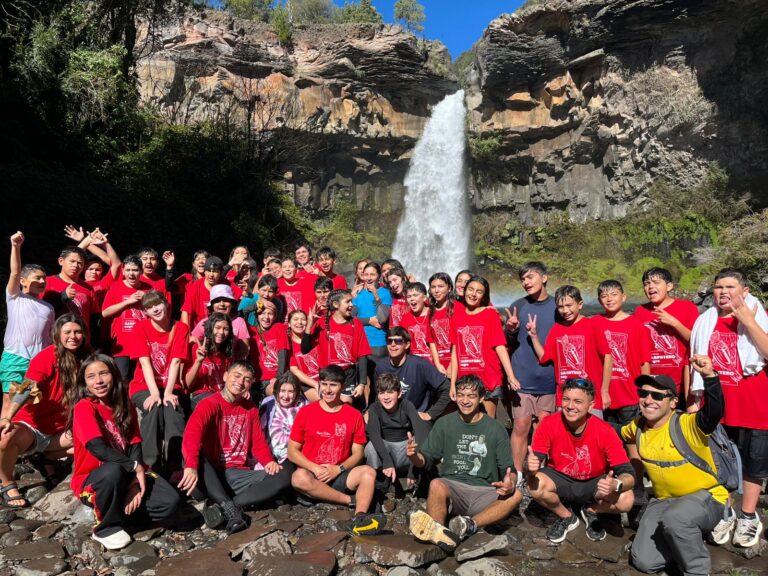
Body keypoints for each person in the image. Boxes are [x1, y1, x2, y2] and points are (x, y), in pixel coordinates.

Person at [621, 356, 728, 575]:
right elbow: (614, 433)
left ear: (673, 402)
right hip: (664, 501)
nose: (648, 399)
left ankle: (697, 570)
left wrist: (710, 377)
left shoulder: (686, 424)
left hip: (706, 497)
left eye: (657, 395)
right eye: (644, 393)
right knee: (644, 562)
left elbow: (714, 412)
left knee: (676, 519)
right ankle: (683, 540)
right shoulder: (638, 426)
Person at [689, 269, 768, 547]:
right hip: (718, 406)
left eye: (730, 286)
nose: (723, 292)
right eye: (718, 286)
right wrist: (693, 399)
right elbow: (694, 363)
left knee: (752, 464)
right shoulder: (705, 321)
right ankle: (727, 511)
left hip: (755, 405)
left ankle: (749, 516)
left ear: (744, 291)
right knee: (721, 463)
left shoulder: (759, 315)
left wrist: (748, 320)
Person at [69, 354, 179, 550]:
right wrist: (134, 468)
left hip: (128, 475)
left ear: (114, 374)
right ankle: (105, 527)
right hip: (96, 479)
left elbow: (135, 445)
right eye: (91, 376)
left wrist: (134, 485)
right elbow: (97, 448)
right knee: (113, 470)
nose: (99, 381)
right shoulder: (84, 407)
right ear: (84, 383)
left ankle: (118, 509)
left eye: (104, 373)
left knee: (170, 503)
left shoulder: (124, 404)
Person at [406, 375, 522, 552]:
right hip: (454, 488)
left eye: (471, 396)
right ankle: (439, 534)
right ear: (455, 396)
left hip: (484, 492)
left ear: (482, 398)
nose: (465, 401)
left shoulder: (496, 428)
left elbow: (509, 469)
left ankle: (470, 524)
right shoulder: (445, 423)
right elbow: (426, 460)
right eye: (461, 395)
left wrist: (510, 483)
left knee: (517, 495)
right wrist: (414, 456)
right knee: (436, 484)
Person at [179, 360, 292, 534]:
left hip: (237, 474)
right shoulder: (209, 404)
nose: (240, 382)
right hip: (210, 475)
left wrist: (269, 461)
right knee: (199, 456)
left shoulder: (250, 409)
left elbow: (258, 442)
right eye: (237, 376)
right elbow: (191, 435)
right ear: (225, 376)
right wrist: (191, 467)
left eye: (247, 379)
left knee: (285, 474)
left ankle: (228, 505)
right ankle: (229, 508)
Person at [526, 378, 635, 543]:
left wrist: (616, 484)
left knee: (627, 499)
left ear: (591, 406)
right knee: (533, 484)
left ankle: (591, 510)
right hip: (560, 478)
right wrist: (529, 466)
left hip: (594, 482)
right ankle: (567, 516)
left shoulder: (605, 430)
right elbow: (533, 461)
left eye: (578, 401)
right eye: (566, 399)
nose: (570, 406)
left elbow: (628, 473)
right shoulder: (549, 423)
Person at [0, 314, 90, 508]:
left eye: (77, 331)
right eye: (67, 332)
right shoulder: (48, 355)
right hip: (33, 427)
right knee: (6, 437)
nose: (73, 336)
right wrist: (8, 416)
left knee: (93, 439)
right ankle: (7, 483)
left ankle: (45, 458)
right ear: (58, 335)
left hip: (61, 431)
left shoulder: (87, 357)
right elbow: (28, 385)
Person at [288, 365, 386, 536]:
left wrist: (338, 469)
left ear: (342, 386)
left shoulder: (353, 415)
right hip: (314, 475)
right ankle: (351, 500)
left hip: (339, 473)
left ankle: (360, 518)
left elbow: (358, 453)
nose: (327, 390)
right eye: (324, 384)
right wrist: (315, 468)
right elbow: (292, 451)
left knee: (368, 472)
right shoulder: (306, 412)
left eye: (333, 385)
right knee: (298, 478)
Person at [504, 261, 557, 485]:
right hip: (522, 378)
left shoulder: (558, 306)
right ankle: (516, 473)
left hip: (549, 377)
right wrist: (511, 330)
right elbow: (506, 343)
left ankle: (539, 473)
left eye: (531, 277)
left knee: (544, 428)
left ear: (544, 278)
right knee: (521, 425)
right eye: (523, 279)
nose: (526, 282)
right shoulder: (518, 306)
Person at [127, 291, 188, 473]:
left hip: (170, 383)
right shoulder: (140, 328)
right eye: (149, 307)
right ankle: (151, 464)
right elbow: (144, 362)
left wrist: (167, 392)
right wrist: (155, 393)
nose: (155, 309)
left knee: (172, 409)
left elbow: (176, 360)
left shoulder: (180, 328)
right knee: (152, 408)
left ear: (166, 304)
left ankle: (175, 465)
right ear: (145, 312)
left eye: (158, 304)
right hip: (143, 384)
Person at [527, 285, 612, 415]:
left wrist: (605, 391)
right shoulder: (557, 329)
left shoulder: (593, 325)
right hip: (564, 398)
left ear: (580, 304)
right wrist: (533, 336)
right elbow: (544, 357)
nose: (565, 310)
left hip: (590, 397)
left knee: (593, 434)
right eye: (560, 307)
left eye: (569, 305)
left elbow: (608, 357)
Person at [1, 232, 55, 421]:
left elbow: (50, 336)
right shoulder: (15, 297)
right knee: (10, 401)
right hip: (15, 358)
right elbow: (15, 272)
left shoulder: (48, 307)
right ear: (23, 282)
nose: (42, 281)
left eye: (44, 279)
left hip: (37, 362)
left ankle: (22, 445)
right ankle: (3, 440)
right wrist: (16, 246)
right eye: (37, 278)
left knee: (30, 404)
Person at [450, 276, 520, 418]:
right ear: (464, 291)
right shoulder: (456, 316)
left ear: (483, 296)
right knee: (468, 422)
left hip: (489, 379)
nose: (473, 294)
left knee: (487, 422)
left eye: (478, 291)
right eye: (470, 289)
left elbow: (500, 347)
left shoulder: (490, 314)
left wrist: (511, 376)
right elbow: (455, 352)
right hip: (465, 381)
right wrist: (453, 383)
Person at [633, 268, 699, 399]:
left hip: (681, 383)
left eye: (656, 282)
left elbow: (697, 342)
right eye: (646, 284)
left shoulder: (687, 307)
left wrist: (675, 323)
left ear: (669, 286)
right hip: (652, 383)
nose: (650, 286)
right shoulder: (640, 311)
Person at [592, 280, 651, 424]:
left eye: (614, 294)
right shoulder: (594, 323)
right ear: (599, 300)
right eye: (604, 296)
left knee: (631, 440)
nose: (609, 299)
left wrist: (646, 392)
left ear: (623, 297)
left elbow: (644, 362)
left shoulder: (636, 325)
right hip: (602, 396)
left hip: (630, 395)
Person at [365, 374, 430, 491]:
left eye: (390, 392)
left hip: (405, 451)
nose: (385, 397)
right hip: (386, 452)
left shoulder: (407, 405)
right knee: (370, 447)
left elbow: (421, 431)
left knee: (421, 439)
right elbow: (373, 433)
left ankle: (416, 477)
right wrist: (387, 460)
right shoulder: (374, 408)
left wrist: (413, 468)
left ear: (399, 393)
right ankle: (380, 480)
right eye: (381, 393)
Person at [374, 327, 451, 424]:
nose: (393, 344)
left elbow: (447, 389)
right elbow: (378, 395)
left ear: (407, 345)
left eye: (398, 341)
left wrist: (431, 414)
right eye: (389, 341)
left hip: (418, 418)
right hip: (391, 419)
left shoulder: (421, 365)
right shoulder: (381, 367)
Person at [308, 289, 371, 405]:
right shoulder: (322, 323)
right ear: (336, 304)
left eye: (351, 301)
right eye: (348, 302)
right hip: (328, 374)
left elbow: (362, 354)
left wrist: (362, 383)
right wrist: (309, 325)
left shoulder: (355, 324)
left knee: (345, 405)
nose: (351, 305)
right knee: (329, 405)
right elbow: (305, 348)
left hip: (348, 374)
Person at [101, 255, 152, 380]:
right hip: (122, 345)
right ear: (123, 271)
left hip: (144, 342)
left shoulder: (148, 289)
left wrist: (146, 300)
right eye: (128, 270)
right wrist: (127, 302)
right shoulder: (116, 287)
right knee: (122, 380)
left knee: (142, 380)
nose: (131, 274)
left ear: (141, 271)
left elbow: (158, 314)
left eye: (134, 270)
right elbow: (105, 313)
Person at [185, 313, 236, 410]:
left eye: (225, 329)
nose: (221, 332)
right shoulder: (197, 348)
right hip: (199, 396)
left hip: (221, 395)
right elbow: (188, 384)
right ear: (210, 328)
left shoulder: (227, 354)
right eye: (217, 327)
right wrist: (198, 361)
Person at [259, 372, 308, 466]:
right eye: (282, 390)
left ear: (297, 392)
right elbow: (260, 434)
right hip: (270, 457)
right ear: (277, 390)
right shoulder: (268, 404)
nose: (286, 396)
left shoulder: (305, 406)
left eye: (290, 392)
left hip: (296, 457)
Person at [41, 246, 95, 326]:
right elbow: (38, 310)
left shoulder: (88, 288)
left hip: (81, 336)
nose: (75, 265)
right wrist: (62, 297)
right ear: (61, 261)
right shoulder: (46, 282)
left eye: (80, 263)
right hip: (53, 335)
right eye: (72, 261)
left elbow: (94, 316)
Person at [190, 284, 249, 355]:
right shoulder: (204, 322)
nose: (222, 304)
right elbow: (192, 340)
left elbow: (244, 349)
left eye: (226, 300)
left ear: (232, 304)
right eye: (217, 301)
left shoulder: (239, 322)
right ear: (212, 306)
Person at [353, 262, 392, 367]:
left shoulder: (385, 293)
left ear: (378, 276)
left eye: (372, 275)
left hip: (378, 343)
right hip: (360, 343)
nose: (369, 278)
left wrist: (376, 295)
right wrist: (369, 321)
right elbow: (351, 318)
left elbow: (382, 318)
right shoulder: (358, 293)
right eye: (366, 275)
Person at [248, 299, 289, 397]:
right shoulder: (252, 331)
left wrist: (278, 378)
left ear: (275, 316)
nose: (266, 317)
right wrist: (255, 306)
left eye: (270, 314)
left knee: (276, 395)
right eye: (262, 313)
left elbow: (283, 354)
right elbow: (239, 314)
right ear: (257, 316)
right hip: (256, 380)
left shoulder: (278, 328)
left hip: (274, 378)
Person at [181, 256, 231, 328]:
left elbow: (245, 296)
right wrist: (186, 335)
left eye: (215, 271)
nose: (211, 275)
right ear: (204, 271)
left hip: (221, 330)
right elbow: (186, 312)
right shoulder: (195, 286)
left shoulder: (226, 284)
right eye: (208, 271)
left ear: (221, 273)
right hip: (199, 331)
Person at [398, 282, 437, 364]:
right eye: (409, 296)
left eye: (415, 295)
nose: (412, 299)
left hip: (434, 364)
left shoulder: (434, 314)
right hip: (414, 364)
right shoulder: (405, 318)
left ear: (424, 298)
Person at [287, 310, 320, 402]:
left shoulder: (315, 339)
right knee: (323, 399)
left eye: (303, 319)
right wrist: (316, 384)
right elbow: (295, 371)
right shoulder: (288, 344)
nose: (300, 322)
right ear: (289, 324)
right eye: (296, 319)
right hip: (306, 384)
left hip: (324, 379)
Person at [428, 272, 456, 375]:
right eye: (433, 287)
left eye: (440, 286)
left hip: (456, 363)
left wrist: (452, 365)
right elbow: (431, 341)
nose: (436, 290)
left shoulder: (457, 308)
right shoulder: (430, 311)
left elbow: (458, 339)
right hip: (439, 365)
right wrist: (437, 364)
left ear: (449, 288)